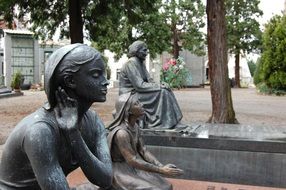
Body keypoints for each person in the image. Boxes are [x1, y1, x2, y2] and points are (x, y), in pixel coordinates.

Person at [0, 44, 112, 190]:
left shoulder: (93, 121)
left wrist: (73, 134)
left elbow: (105, 179)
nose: (106, 81)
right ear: (70, 81)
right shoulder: (40, 131)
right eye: (96, 75)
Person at [107, 93, 183, 190]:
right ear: (128, 111)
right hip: (118, 171)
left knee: (166, 186)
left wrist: (161, 166)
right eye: (136, 104)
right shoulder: (121, 133)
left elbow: (143, 150)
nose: (141, 105)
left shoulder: (135, 127)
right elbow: (132, 160)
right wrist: (161, 170)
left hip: (131, 168)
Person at [119, 40, 185, 129]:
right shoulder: (131, 63)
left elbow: (149, 80)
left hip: (138, 92)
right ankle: (168, 123)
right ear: (137, 51)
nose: (146, 53)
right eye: (144, 50)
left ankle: (174, 121)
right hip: (129, 95)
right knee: (163, 93)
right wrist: (158, 87)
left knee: (166, 90)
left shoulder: (140, 63)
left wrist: (161, 84)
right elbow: (139, 85)